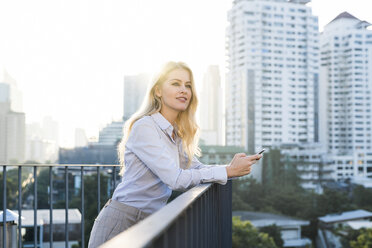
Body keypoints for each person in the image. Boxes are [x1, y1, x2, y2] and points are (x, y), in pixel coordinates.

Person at [88, 61, 262, 247]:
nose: (184, 90)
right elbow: (176, 179)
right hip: (122, 221)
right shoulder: (145, 127)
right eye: (175, 83)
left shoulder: (175, 134)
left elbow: (196, 168)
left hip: (151, 223)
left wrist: (229, 167)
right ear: (158, 91)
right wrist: (227, 172)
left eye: (188, 86)